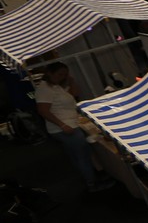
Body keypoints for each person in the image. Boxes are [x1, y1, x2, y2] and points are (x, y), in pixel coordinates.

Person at [34, 62, 113, 192]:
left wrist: (71, 80)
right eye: (60, 74)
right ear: (49, 73)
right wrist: (62, 125)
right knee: (83, 155)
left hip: (69, 124)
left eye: (64, 75)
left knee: (79, 154)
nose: (62, 77)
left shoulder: (55, 87)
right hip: (65, 127)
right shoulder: (45, 89)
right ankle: (92, 183)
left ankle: (91, 179)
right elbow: (43, 110)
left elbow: (74, 94)